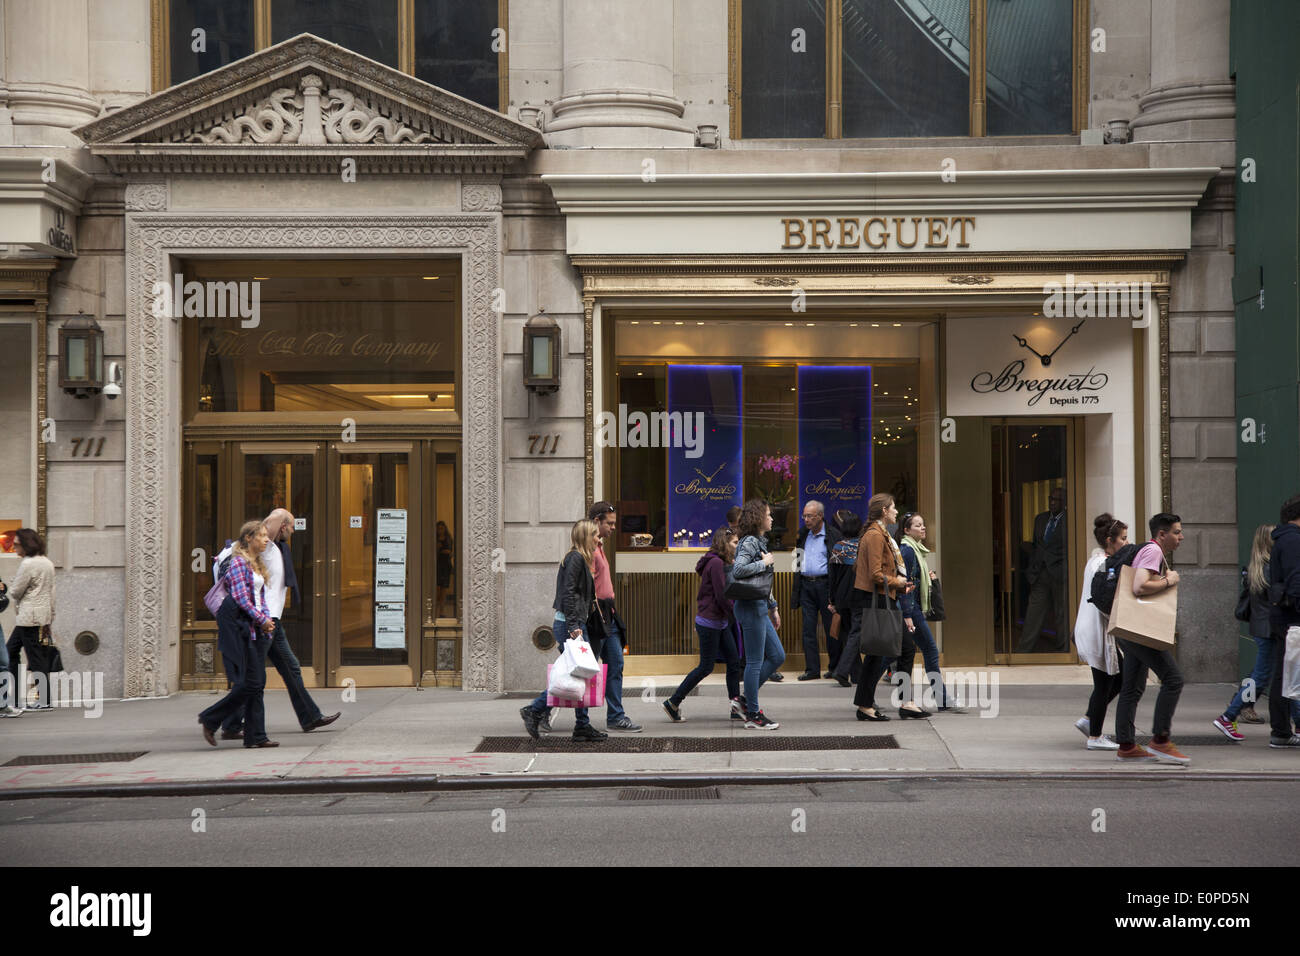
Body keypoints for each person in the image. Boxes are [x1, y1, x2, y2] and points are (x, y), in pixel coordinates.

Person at [215, 510, 339, 740]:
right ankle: (230, 723)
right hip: (264, 620)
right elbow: (271, 521)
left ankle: (310, 716)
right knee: (253, 677)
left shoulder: (278, 549)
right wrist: (280, 517)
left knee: (290, 667)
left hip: (272, 620)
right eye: (290, 526)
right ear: (282, 526)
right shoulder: (267, 547)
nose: (292, 531)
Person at [520, 519, 609, 742]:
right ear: (586, 537)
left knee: (581, 673)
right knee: (574, 673)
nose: (599, 539)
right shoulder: (576, 559)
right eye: (596, 535)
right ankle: (535, 709)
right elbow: (568, 594)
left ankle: (582, 726)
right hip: (571, 624)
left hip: (575, 623)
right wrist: (574, 627)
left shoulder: (578, 558)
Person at [1113, 513, 1189, 764]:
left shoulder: (1150, 550)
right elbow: (1139, 586)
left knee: (1132, 686)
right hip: (1140, 629)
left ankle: (1126, 745)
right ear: (1162, 534)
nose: (1181, 537)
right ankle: (1160, 740)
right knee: (1173, 679)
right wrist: (1169, 580)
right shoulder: (1153, 552)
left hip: (1131, 628)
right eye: (1177, 532)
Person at [198, 520, 279, 748]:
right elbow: (241, 599)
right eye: (261, 535)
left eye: (266, 535)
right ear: (248, 539)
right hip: (239, 630)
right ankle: (210, 718)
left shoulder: (257, 563)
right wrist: (262, 620)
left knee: (256, 683)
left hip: (254, 629)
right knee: (250, 683)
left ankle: (256, 737)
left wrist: (267, 619)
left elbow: (259, 597)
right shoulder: (238, 563)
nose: (266, 539)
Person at [851, 494, 925, 721]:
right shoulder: (875, 535)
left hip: (885, 596)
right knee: (882, 651)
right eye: (893, 508)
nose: (896, 512)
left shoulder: (881, 534)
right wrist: (898, 583)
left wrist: (900, 587)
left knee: (895, 650)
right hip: (878, 599)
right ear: (884, 510)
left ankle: (903, 703)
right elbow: (874, 574)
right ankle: (868, 705)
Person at [664, 526, 744, 721]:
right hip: (710, 623)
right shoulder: (715, 563)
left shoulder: (718, 561)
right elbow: (722, 595)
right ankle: (673, 702)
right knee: (706, 667)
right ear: (724, 544)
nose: (737, 546)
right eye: (734, 543)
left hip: (719, 622)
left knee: (733, 662)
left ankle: (735, 707)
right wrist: (738, 613)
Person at [1072, 514, 1129, 749]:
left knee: (1116, 679)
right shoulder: (1103, 564)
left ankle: (1089, 720)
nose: (1126, 543)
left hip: (1092, 627)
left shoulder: (1097, 560)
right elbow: (1104, 599)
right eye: (1123, 539)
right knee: (1106, 682)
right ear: (1110, 540)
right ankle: (1094, 736)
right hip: (1096, 629)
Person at [897, 512, 963, 712]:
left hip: (911, 607)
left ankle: (866, 695)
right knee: (930, 651)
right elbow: (905, 583)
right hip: (910, 608)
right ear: (907, 530)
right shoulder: (908, 551)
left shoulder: (916, 549)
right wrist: (908, 613)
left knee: (891, 654)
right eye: (918, 525)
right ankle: (942, 700)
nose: (923, 528)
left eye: (923, 524)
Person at [731, 499, 786, 729]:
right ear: (758, 518)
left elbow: (763, 584)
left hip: (760, 607)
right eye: (768, 514)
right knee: (754, 662)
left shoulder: (759, 542)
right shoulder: (750, 542)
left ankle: (744, 701)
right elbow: (739, 569)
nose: (772, 518)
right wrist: (764, 563)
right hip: (750, 608)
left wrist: (773, 608)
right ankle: (753, 714)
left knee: (777, 656)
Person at [587, 501, 641, 732]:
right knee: (582, 668)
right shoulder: (588, 547)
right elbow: (586, 584)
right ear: (596, 521)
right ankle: (540, 708)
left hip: (608, 614)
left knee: (616, 663)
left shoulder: (600, 545)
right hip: (596, 616)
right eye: (609, 523)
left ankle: (616, 716)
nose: (613, 528)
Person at [5, 530, 55, 711]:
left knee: (33, 657)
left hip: (28, 616)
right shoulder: (47, 563)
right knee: (13, 651)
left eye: (17, 544)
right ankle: (20, 697)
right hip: (41, 615)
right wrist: (50, 617)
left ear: (27, 544)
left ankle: (43, 699)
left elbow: (15, 592)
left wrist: (12, 582)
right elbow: (52, 592)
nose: (14, 547)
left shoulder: (27, 564)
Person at [1266, 495, 1300, 749]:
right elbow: (1296, 578)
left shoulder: (1283, 539)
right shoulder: (1292, 540)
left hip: (1285, 618)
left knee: (1285, 673)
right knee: (1286, 675)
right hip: (1293, 619)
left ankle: (1281, 730)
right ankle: (1281, 729)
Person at [793, 500, 841, 680]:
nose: (806, 519)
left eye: (809, 516)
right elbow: (797, 561)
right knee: (808, 628)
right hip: (806, 586)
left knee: (831, 629)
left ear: (820, 516)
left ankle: (835, 668)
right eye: (804, 516)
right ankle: (812, 669)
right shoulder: (802, 535)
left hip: (826, 585)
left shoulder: (833, 535)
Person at [1017, 487, 1069, 652]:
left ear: (1064, 502)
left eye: (1057, 500)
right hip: (1039, 572)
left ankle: (1064, 650)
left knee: (1061, 614)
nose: (1052, 502)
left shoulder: (1070, 520)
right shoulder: (1040, 519)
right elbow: (1036, 545)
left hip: (1059, 573)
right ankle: (1023, 651)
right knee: (1033, 613)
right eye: (1051, 499)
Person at [828, 512, 863, 687]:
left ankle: (857, 674)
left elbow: (832, 577)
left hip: (841, 596)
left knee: (849, 633)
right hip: (858, 594)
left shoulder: (837, 547)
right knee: (856, 633)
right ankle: (843, 671)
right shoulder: (862, 547)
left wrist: (832, 600)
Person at [435, 520, 454, 616]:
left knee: (444, 589)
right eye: (438, 528)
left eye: (442, 528)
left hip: (446, 565)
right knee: (437, 589)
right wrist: (438, 548)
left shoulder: (448, 538)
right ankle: (435, 610)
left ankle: (441, 611)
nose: (440, 530)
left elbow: (452, 552)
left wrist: (449, 553)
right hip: (437, 565)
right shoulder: (435, 539)